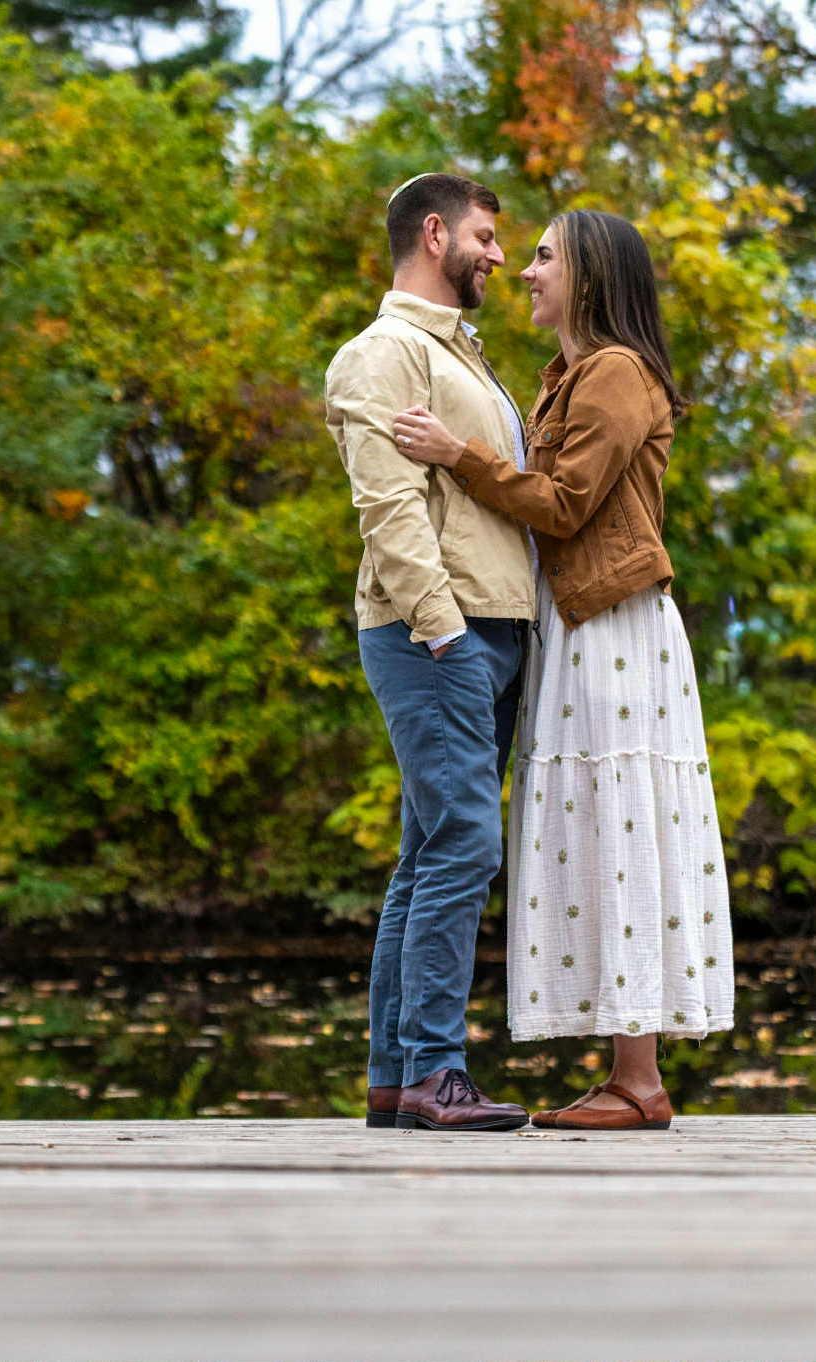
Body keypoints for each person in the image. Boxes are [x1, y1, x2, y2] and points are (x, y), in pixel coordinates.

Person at [393, 209, 735, 1131]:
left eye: (543, 256)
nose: (526, 270)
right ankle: (629, 1074)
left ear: (587, 273)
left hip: (615, 628)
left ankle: (640, 1081)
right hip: (579, 627)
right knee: (590, 829)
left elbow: (568, 504)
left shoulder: (616, 373)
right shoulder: (569, 377)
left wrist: (456, 458)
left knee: (618, 825)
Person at [324, 172, 536, 1132]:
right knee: (463, 846)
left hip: (488, 628)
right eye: (487, 237)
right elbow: (387, 507)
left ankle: (396, 1077)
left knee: (429, 851)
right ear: (437, 232)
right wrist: (443, 627)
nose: (498, 254)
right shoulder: (381, 355)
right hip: (433, 634)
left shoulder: (460, 355)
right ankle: (438, 1073)